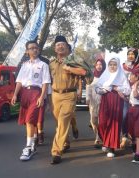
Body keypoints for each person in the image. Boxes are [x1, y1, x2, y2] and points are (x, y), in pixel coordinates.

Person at [49, 35, 87, 164]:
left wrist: (69, 68)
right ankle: (68, 137)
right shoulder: (51, 64)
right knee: (59, 122)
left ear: (67, 47)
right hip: (55, 96)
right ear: (55, 49)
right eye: (58, 45)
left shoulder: (72, 60)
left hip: (69, 95)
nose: (60, 46)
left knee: (63, 121)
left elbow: (84, 72)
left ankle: (56, 151)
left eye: (62, 45)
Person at [11, 40, 50, 161]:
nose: (34, 50)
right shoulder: (24, 65)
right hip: (25, 93)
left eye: (36, 48)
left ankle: (28, 147)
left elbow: (45, 82)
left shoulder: (43, 65)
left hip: (36, 93)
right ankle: (33, 143)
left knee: (30, 120)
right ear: (27, 51)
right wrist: (15, 94)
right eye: (31, 48)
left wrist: (42, 96)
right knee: (27, 121)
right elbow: (19, 81)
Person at [96, 57, 131, 158]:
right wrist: (104, 89)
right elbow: (97, 88)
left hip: (116, 101)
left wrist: (116, 88)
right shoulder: (105, 75)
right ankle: (105, 142)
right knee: (102, 122)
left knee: (114, 124)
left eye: (114, 64)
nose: (112, 66)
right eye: (110, 64)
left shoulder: (121, 76)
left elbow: (127, 90)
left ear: (118, 65)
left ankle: (111, 147)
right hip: (105, 100)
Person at [120, 48, 139, 148]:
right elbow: (121, 79)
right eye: (129, 54)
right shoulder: (123, 66)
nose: (130, 56)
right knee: (124, 116)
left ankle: (134, 139)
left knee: (135, 119)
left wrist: (137, 86)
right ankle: (124, 136)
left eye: (132, 54)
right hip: (126, 95)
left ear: (136, 55)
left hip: (136, 96)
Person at [86, 57, 106, 148]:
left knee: (101, 121)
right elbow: (88, 87)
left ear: (103, 66)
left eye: (100, 64)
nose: (99, 66)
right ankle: (97, 133)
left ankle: (98, 138)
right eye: (97, 64)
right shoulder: (91, 76)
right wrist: (88, 98)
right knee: (93, 121)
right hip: (93, 102)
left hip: (103, 102)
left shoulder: (106, 76)